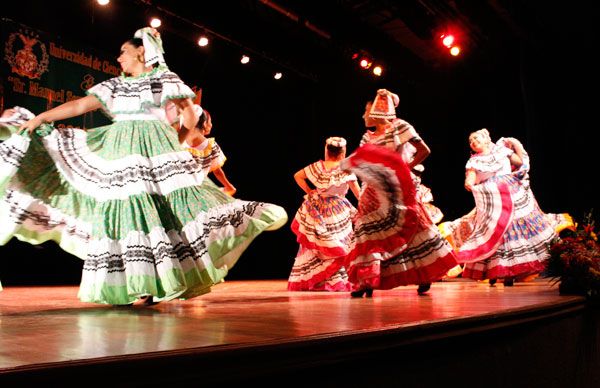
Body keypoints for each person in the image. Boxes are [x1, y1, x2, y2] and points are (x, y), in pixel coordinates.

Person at [0, 27, 287, 305]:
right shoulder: (115, 85)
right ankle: (129, 284)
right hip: (121, 149)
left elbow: (189, 115)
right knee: (125, 213)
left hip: (154, 150)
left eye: (123, 52)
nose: (119, 58)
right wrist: (41, 118)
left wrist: (176, 141)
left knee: (157, 214)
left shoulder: (164, 79)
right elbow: (79, 106)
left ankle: (150, 284)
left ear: (141, 51)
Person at [341, 89, 457, 297]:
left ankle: (424, 274)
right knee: (367, 230)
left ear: (379, 109)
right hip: (372, 189)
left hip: (397, 188)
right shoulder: (367, 137)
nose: (363, 115)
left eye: (366, 111)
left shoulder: (400, 127)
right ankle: (367, 281)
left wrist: (406, 168)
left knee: (412, 227)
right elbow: (363, 160)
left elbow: (424, 151)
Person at [439, 128, 572, 286]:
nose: (473, 142)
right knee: (497, 231)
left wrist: (514, 145)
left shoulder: (502, 151)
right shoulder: (474, 161)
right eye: (470, 141)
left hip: (512, 191)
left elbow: (519, 162)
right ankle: (496, 271)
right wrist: (469, 182)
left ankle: (511, 272)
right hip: (493, 199)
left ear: (487, 139)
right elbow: (471, 177)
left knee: (514, 229)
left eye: (476, 138)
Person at [288, 136, 361, 291]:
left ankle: (319, 280)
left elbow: (297, 176)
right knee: (339, 242)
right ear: (343, 151)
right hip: (338, 210)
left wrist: (309, 191)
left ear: (327, 150)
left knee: (319, 244)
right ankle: (336, 279)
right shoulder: (346, 168)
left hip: (318, 208)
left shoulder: (318, 167)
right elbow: (357, 193)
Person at [180, 105, 236, 196]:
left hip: (182, 189)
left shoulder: (180, 143)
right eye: (210, 121)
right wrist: (229, 186)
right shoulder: (211, 146)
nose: (211, 125)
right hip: (199, 191)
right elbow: (217, 172)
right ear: (205, 123)